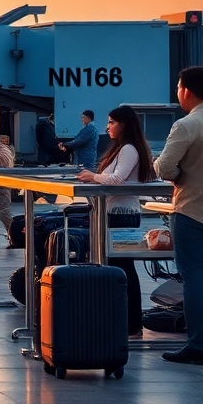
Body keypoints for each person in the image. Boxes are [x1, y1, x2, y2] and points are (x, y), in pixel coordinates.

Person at [76, 105, 154, 338]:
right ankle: (126, 322)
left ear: (124, 124)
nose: (107, 127)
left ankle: (131, 324)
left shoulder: (129, 149)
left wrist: (92, 177)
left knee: (124, 269)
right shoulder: (123, 148)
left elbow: (118, 179)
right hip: (115, 212)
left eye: (111, 122)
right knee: (120, 268)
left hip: (122, 213)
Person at [157, 66, 203, 364]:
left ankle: (198, 344)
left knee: (195, 278)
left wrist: (178, 174)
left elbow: (163, 167)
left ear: (186, 90)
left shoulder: (188, 125)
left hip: (192, 211)